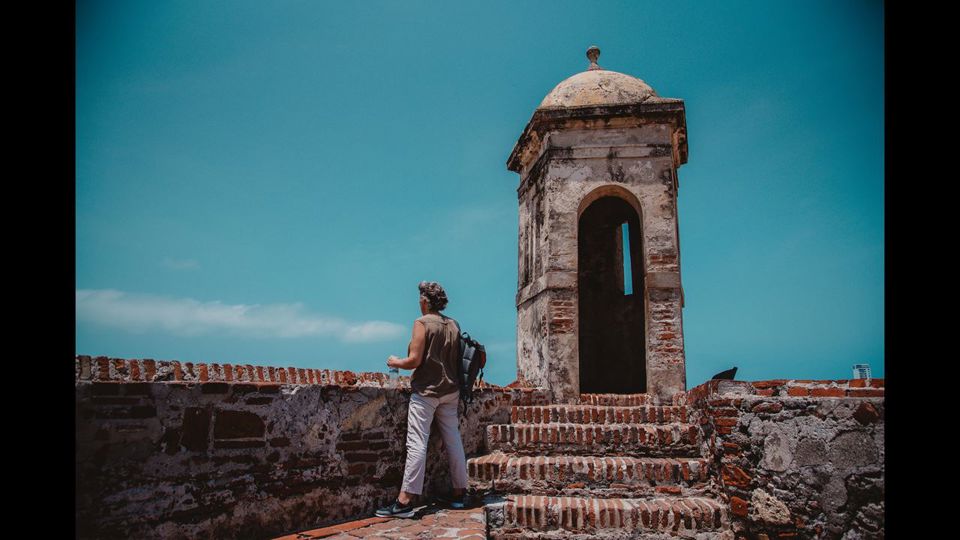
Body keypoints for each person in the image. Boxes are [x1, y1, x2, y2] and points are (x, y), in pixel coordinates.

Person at [375, 281, 469, 518]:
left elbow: (414, 360)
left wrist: (394, 361)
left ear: (425, 301)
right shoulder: (454, 324)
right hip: (451, 391)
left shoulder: (422, 323)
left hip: (427, 392)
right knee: (453, 442)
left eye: (420, 299)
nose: (419, 303)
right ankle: (460, 493)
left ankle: (405, 501)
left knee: (417, 444)